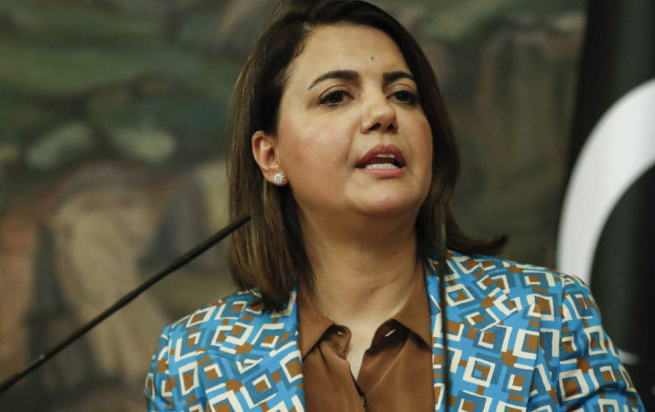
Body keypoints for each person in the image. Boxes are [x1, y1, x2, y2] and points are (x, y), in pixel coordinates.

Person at [144, 1, 644, 410]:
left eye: (403, 95)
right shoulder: (195, 362)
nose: (383, 112)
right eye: (336, 96)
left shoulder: (547, 317)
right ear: (270, 156)